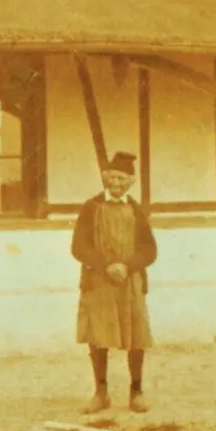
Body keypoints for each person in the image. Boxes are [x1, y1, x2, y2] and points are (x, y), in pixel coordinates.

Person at [72, 151, 157, 414]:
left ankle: (136, 392)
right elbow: (78, 247)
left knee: (136, 337)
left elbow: (150, 250)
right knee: (98, 336)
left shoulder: (136, 210)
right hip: (98, 281)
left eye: (122, 179)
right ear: (105, 178)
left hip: (130, 282)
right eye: (112, 178)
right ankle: (101, 393)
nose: (116, 184)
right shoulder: (91, 207)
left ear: (130, 182)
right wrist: (106, 265)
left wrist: (127, 266)